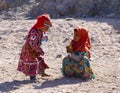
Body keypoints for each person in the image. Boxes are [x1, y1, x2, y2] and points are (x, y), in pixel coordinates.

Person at [17, 14, 52, 81]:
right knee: (33, 63)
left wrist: (45, 38)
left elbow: (41, 39)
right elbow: (32, 44)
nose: (48, 29)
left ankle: (42, 72)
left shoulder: (41, 31)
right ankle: (32, 77)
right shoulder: (34, 32)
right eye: (47, 27)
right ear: (42, 25)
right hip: (29, 51)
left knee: (40, 60)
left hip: (35, 50)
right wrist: (39, 50)